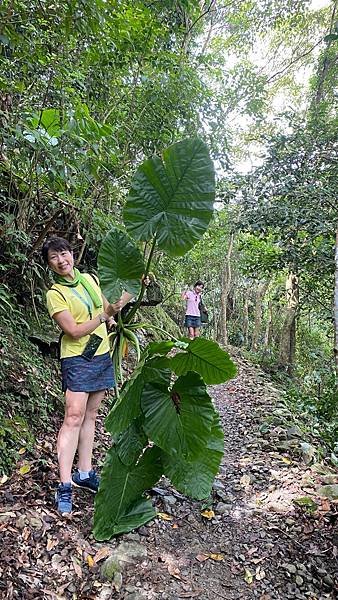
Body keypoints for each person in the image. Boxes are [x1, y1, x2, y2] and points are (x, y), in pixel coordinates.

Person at [42, 236, 133, 515]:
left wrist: (132, 290)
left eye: (64, 253)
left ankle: (84, 472)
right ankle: (65, 484)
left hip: (101, 354)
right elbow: (75, 330)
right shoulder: (55, 294)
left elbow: (109, 308)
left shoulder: (90, 280)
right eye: (54, 257)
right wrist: (105, 316)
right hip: (77, 358)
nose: (61, 260)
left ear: (72, 254)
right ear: (49, 265)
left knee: (91, 415)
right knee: (72, 417)